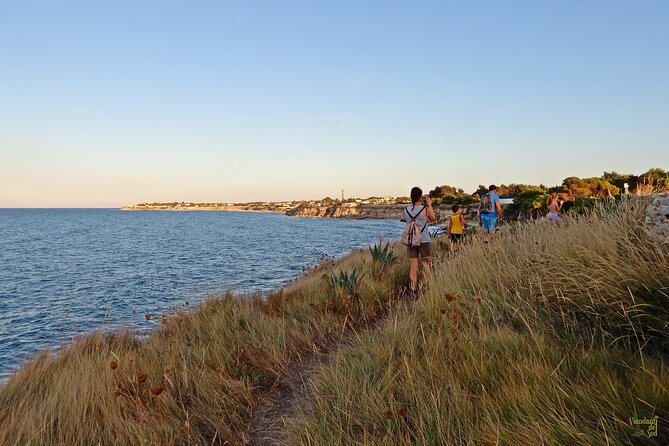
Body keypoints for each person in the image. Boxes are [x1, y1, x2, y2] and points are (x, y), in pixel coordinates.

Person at [403, 187, 437, 296]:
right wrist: (429, 205)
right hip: (424, 239)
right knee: (426, 263)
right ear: (420, 197)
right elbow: (433, 218)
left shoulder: (406, 210)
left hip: (411, 240)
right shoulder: (425, 209)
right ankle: (424, 287)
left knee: (413, 266)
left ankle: (412, 290)